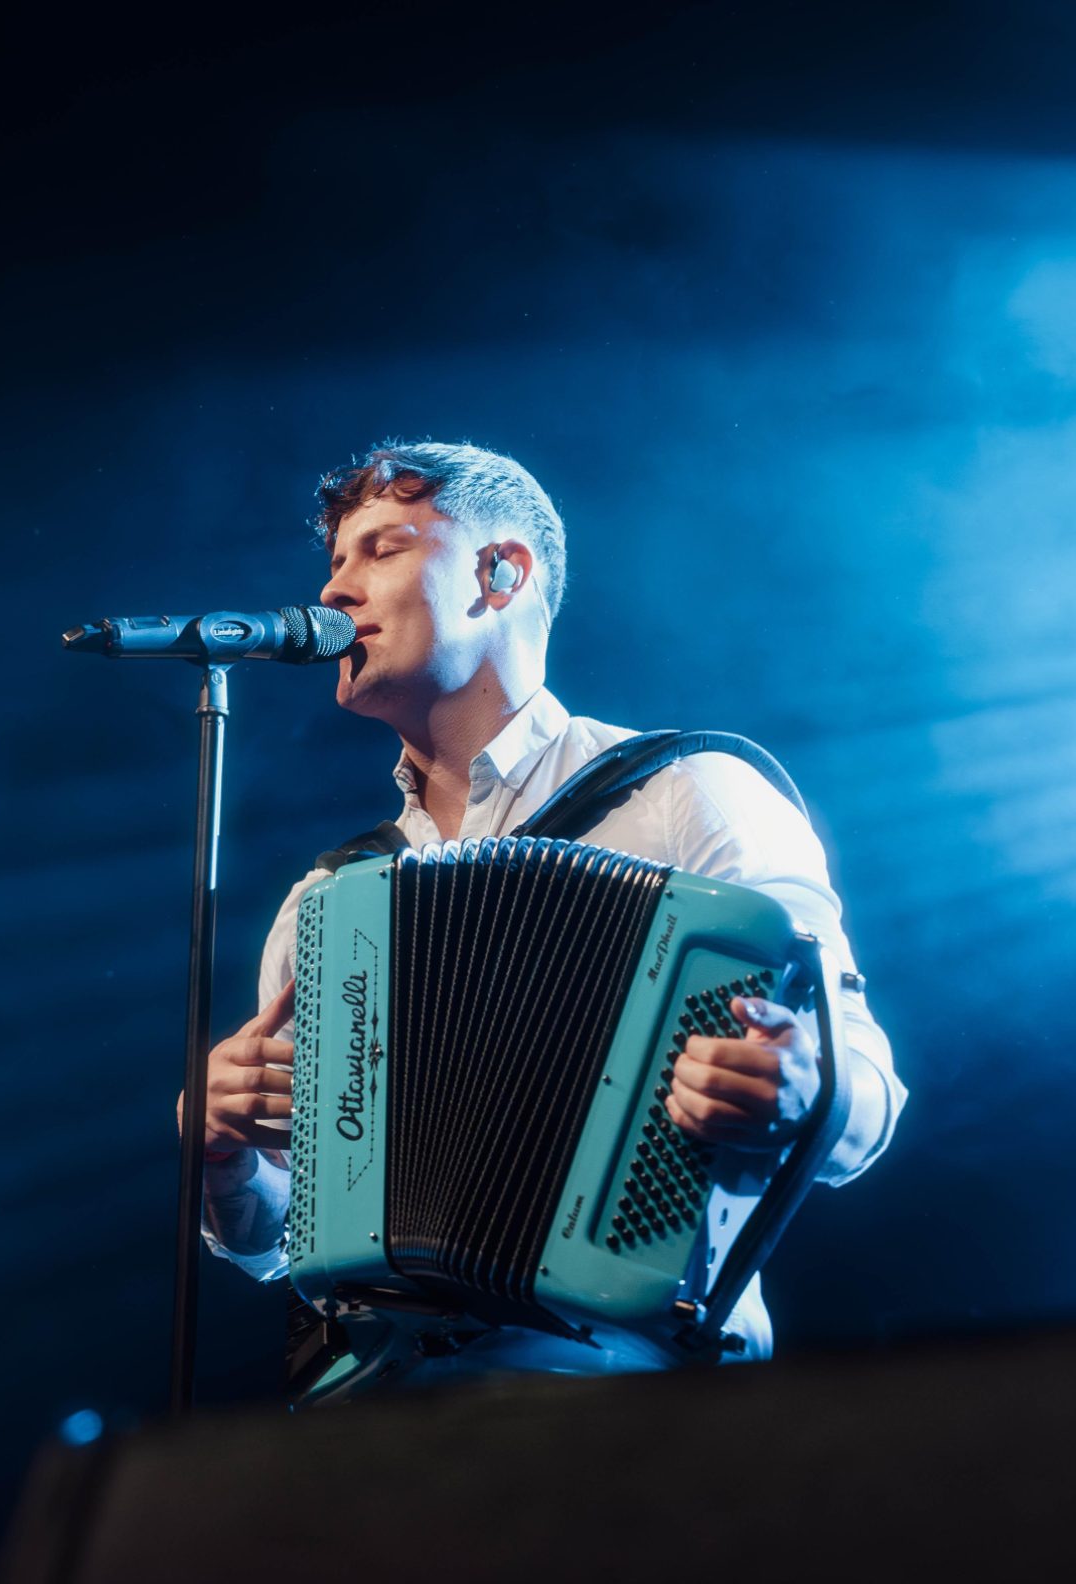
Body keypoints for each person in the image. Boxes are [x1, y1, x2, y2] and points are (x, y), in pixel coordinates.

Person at [182, 439, 905, 1372]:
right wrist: (221, 1153)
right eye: (334, 561)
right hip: (386, 1422)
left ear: (501, 573)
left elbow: (867, 1098)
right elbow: (278, 1245)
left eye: (383, 549)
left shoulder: (691, 795)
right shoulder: (327, 905)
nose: (334, 593)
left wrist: (806, 1090)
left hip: (642, 1398)